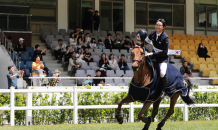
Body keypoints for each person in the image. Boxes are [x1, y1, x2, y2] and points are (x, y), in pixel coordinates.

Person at [145, 19, 169, 98]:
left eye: (159, 25)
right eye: (156, 25)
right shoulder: (152, 33)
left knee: (162, 73)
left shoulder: (165, 38)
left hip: (163, 59)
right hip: (154, 56)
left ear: (163, 27)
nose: (157, 26)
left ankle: (163, 91)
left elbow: (165, 52)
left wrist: (153, 53)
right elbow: (145, 41)